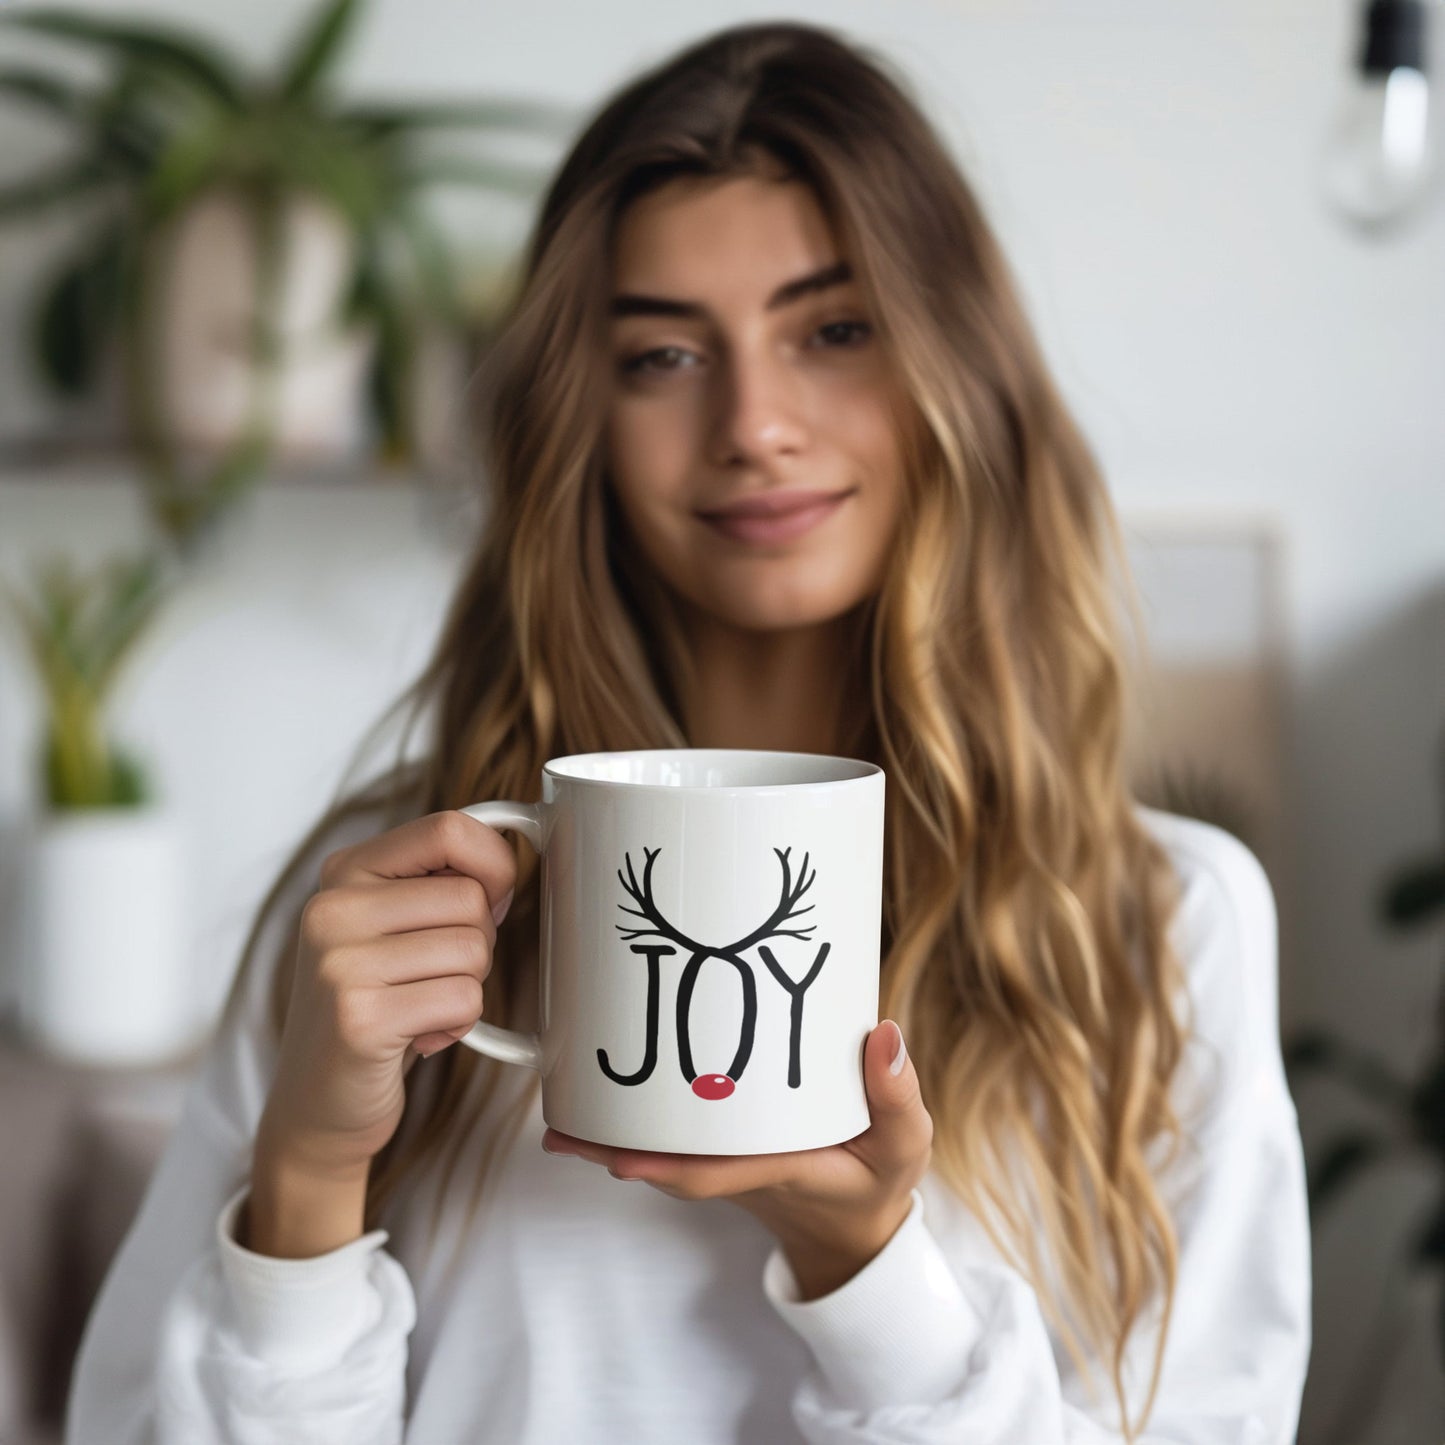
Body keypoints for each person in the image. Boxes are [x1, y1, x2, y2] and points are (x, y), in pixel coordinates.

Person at [65, 19, 1311, 1445]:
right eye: (662, 354)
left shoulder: (1158, 930)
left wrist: (867, 1273)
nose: (755, 423)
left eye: (833, 330)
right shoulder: (387, 914)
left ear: (953, 374)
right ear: (575, 417)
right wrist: (301, 1181)